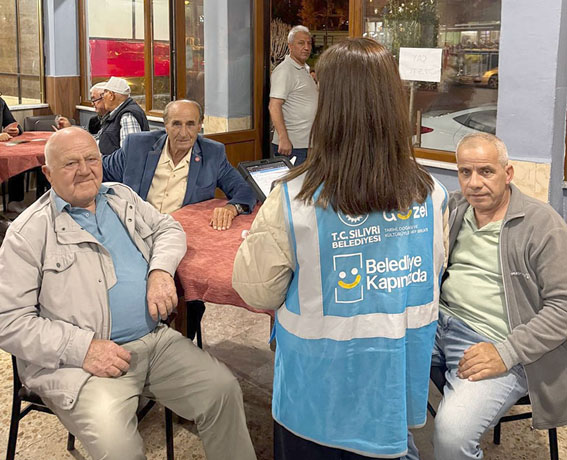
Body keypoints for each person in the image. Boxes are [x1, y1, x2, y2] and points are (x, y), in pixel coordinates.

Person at [233, 38, 448, 460]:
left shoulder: (294, 198)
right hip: (392, 391)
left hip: (316, 401)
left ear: (328, 106)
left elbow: (256, 291)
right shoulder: (432, 195)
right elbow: (429, 274)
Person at [0, 127, 257, 460]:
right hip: (80, 365)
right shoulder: (28, 234)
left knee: (222, 391)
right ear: (47, 174)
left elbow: (168, 228)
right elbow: (9, 322)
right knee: (119, 449)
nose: (84, 169)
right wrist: (83, 349)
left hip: (154, 341)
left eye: (91, 159)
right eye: (70, 163)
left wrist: (160, 271)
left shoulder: (120, 196)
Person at [406, 133, 567, 460]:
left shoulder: (541, 223)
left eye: (486, 172)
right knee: (375, 389)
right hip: (437, 325)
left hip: (495, 342)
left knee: (451, 438)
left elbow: (563, 307)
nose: (474, 182)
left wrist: (506, 352)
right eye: (465, 172)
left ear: (508, 174)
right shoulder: (453, 208)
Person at [103, 99, 256, 231]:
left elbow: (244, 190)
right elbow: (101, 171)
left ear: (199, 125)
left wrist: (231, 208)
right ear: (166, 125)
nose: (183, 133)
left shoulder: (212, 154)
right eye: (176, 124)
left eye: (190, 124)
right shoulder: (137, 146)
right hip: (135, 229)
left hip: (178, 233)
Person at [269, 25, 318, 166]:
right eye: (301, 43)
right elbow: (274, 106)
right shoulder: (285, 71)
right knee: (292, 187)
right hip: (292, 147)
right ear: (290, 46)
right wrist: (283, 138)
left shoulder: (304, 70)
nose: (306, 47)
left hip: (307, 145)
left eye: (309, 43)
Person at [98, 76, 149, 154]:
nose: (103, 98)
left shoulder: (127, 116)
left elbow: (130, 153)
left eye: (104, 93)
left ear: (111, 95)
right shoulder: (115, 114)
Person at [0, 94, 25, 213]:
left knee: (18, 157)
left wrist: (16, 130)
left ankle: (14, 201)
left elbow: (12, 123)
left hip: (3, 150)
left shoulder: (1, 102)